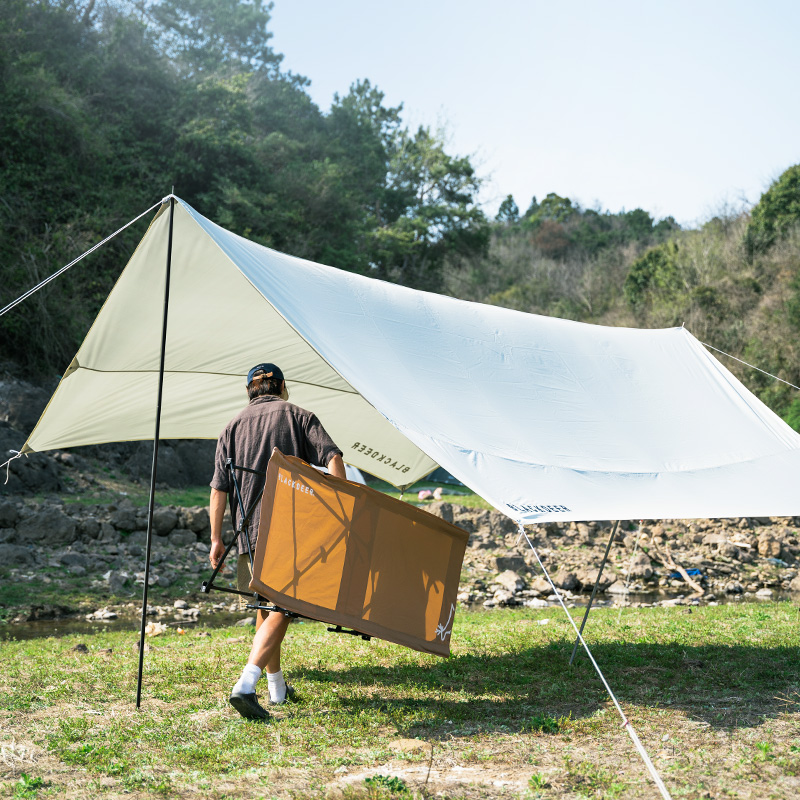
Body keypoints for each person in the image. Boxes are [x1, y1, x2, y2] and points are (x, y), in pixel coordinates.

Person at [209, 362, 345, 720]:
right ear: (281, 386)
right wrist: (340, 506)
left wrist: (215, 540)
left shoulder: (231, 426)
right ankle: (245, 684)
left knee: (265, 606)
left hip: (247, 533)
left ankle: (277, 689)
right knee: (283, 605)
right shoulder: (300, 416)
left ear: (249, 390)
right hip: (291, 531)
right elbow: (333, 458)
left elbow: (218, 490)